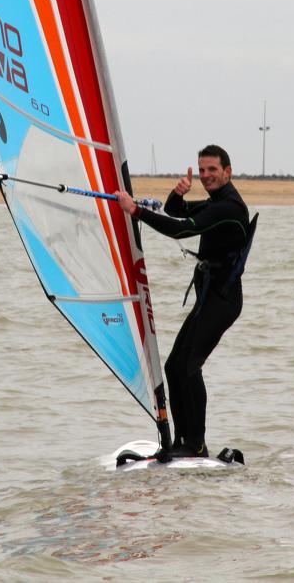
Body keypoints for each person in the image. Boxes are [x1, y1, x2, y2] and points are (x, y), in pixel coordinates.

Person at [116, 144, 252, 459]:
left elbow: (178, 230)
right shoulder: (216, 202)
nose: (206, 176)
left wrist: (135, 211)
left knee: (189, 367)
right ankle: (182, 442)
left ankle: (196, 444)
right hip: (210, 298)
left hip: (223, 301)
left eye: (212, 170)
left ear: (227, 172)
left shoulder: (229, 208)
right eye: (202, 170)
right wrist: (177, 195)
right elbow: (178, 212)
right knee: (174, 365)